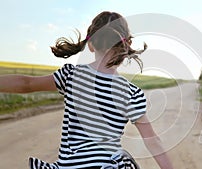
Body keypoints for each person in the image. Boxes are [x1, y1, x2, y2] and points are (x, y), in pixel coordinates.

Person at [0, 11, 174, 169]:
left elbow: (26, 84)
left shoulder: (71, 76)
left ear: (90, 44)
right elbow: (153, 141)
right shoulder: (130, 93)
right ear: (126, 46)